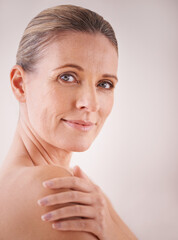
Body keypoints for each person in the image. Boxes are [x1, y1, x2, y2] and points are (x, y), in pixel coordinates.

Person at [0, 4, 137, 240]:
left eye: (104, 84)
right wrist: (114, 228)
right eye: (67, 77)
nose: (90, 103)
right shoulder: (53, 190)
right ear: (20, 85)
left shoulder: (14, 186)